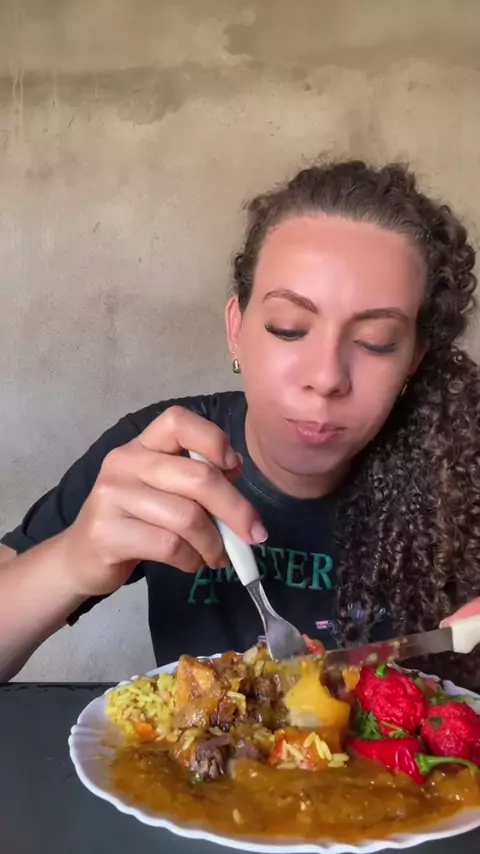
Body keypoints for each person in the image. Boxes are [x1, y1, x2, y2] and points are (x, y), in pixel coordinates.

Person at [1, 158, 480, 688]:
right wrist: (71, 561)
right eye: (289, 328)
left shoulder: (460, 472)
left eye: (376, 343)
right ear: (237, 328)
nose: (325, 378)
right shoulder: (163, 452)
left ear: (414, 358)